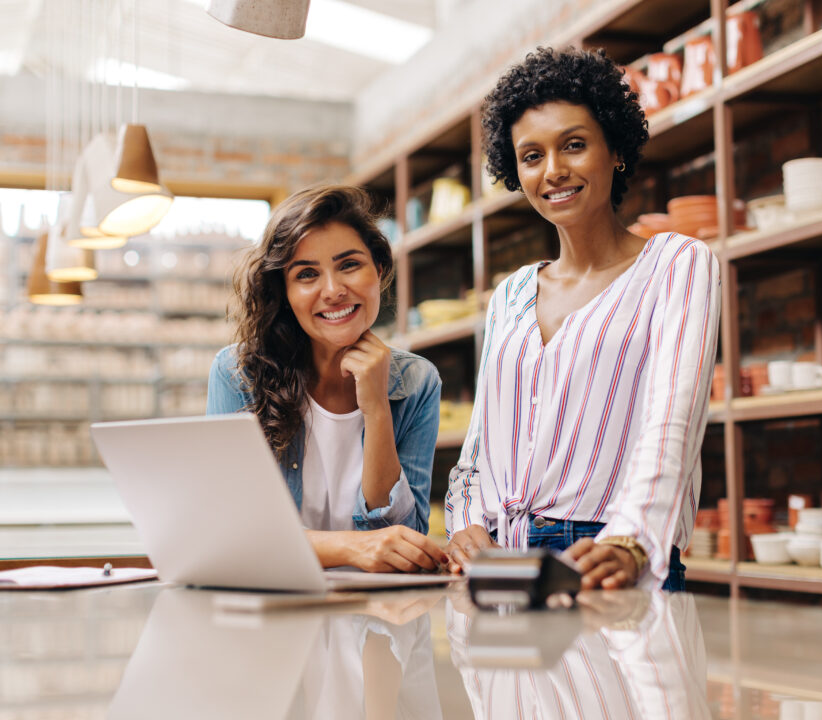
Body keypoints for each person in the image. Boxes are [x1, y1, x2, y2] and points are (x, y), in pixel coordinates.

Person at [444, 47, 721, 591]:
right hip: (503, 564)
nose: (554, 171)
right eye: (531, 155)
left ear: (614, 149)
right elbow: (479, 447)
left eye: (573, 145)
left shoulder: (676, 264)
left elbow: (674, 422)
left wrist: (632, 539)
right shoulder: (510, 295)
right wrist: (466, 525)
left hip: (610, 555)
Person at [207, 184, 447, 573]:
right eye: (306, 274)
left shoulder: (418, 382)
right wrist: (351, 548)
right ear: (284, 293)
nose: (333, 291)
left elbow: (403, 542)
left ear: (379, 271)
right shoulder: (238, 375)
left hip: (378, 619)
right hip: (278, 616)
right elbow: (230, 533)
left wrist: (377, 409)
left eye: (349, 265)